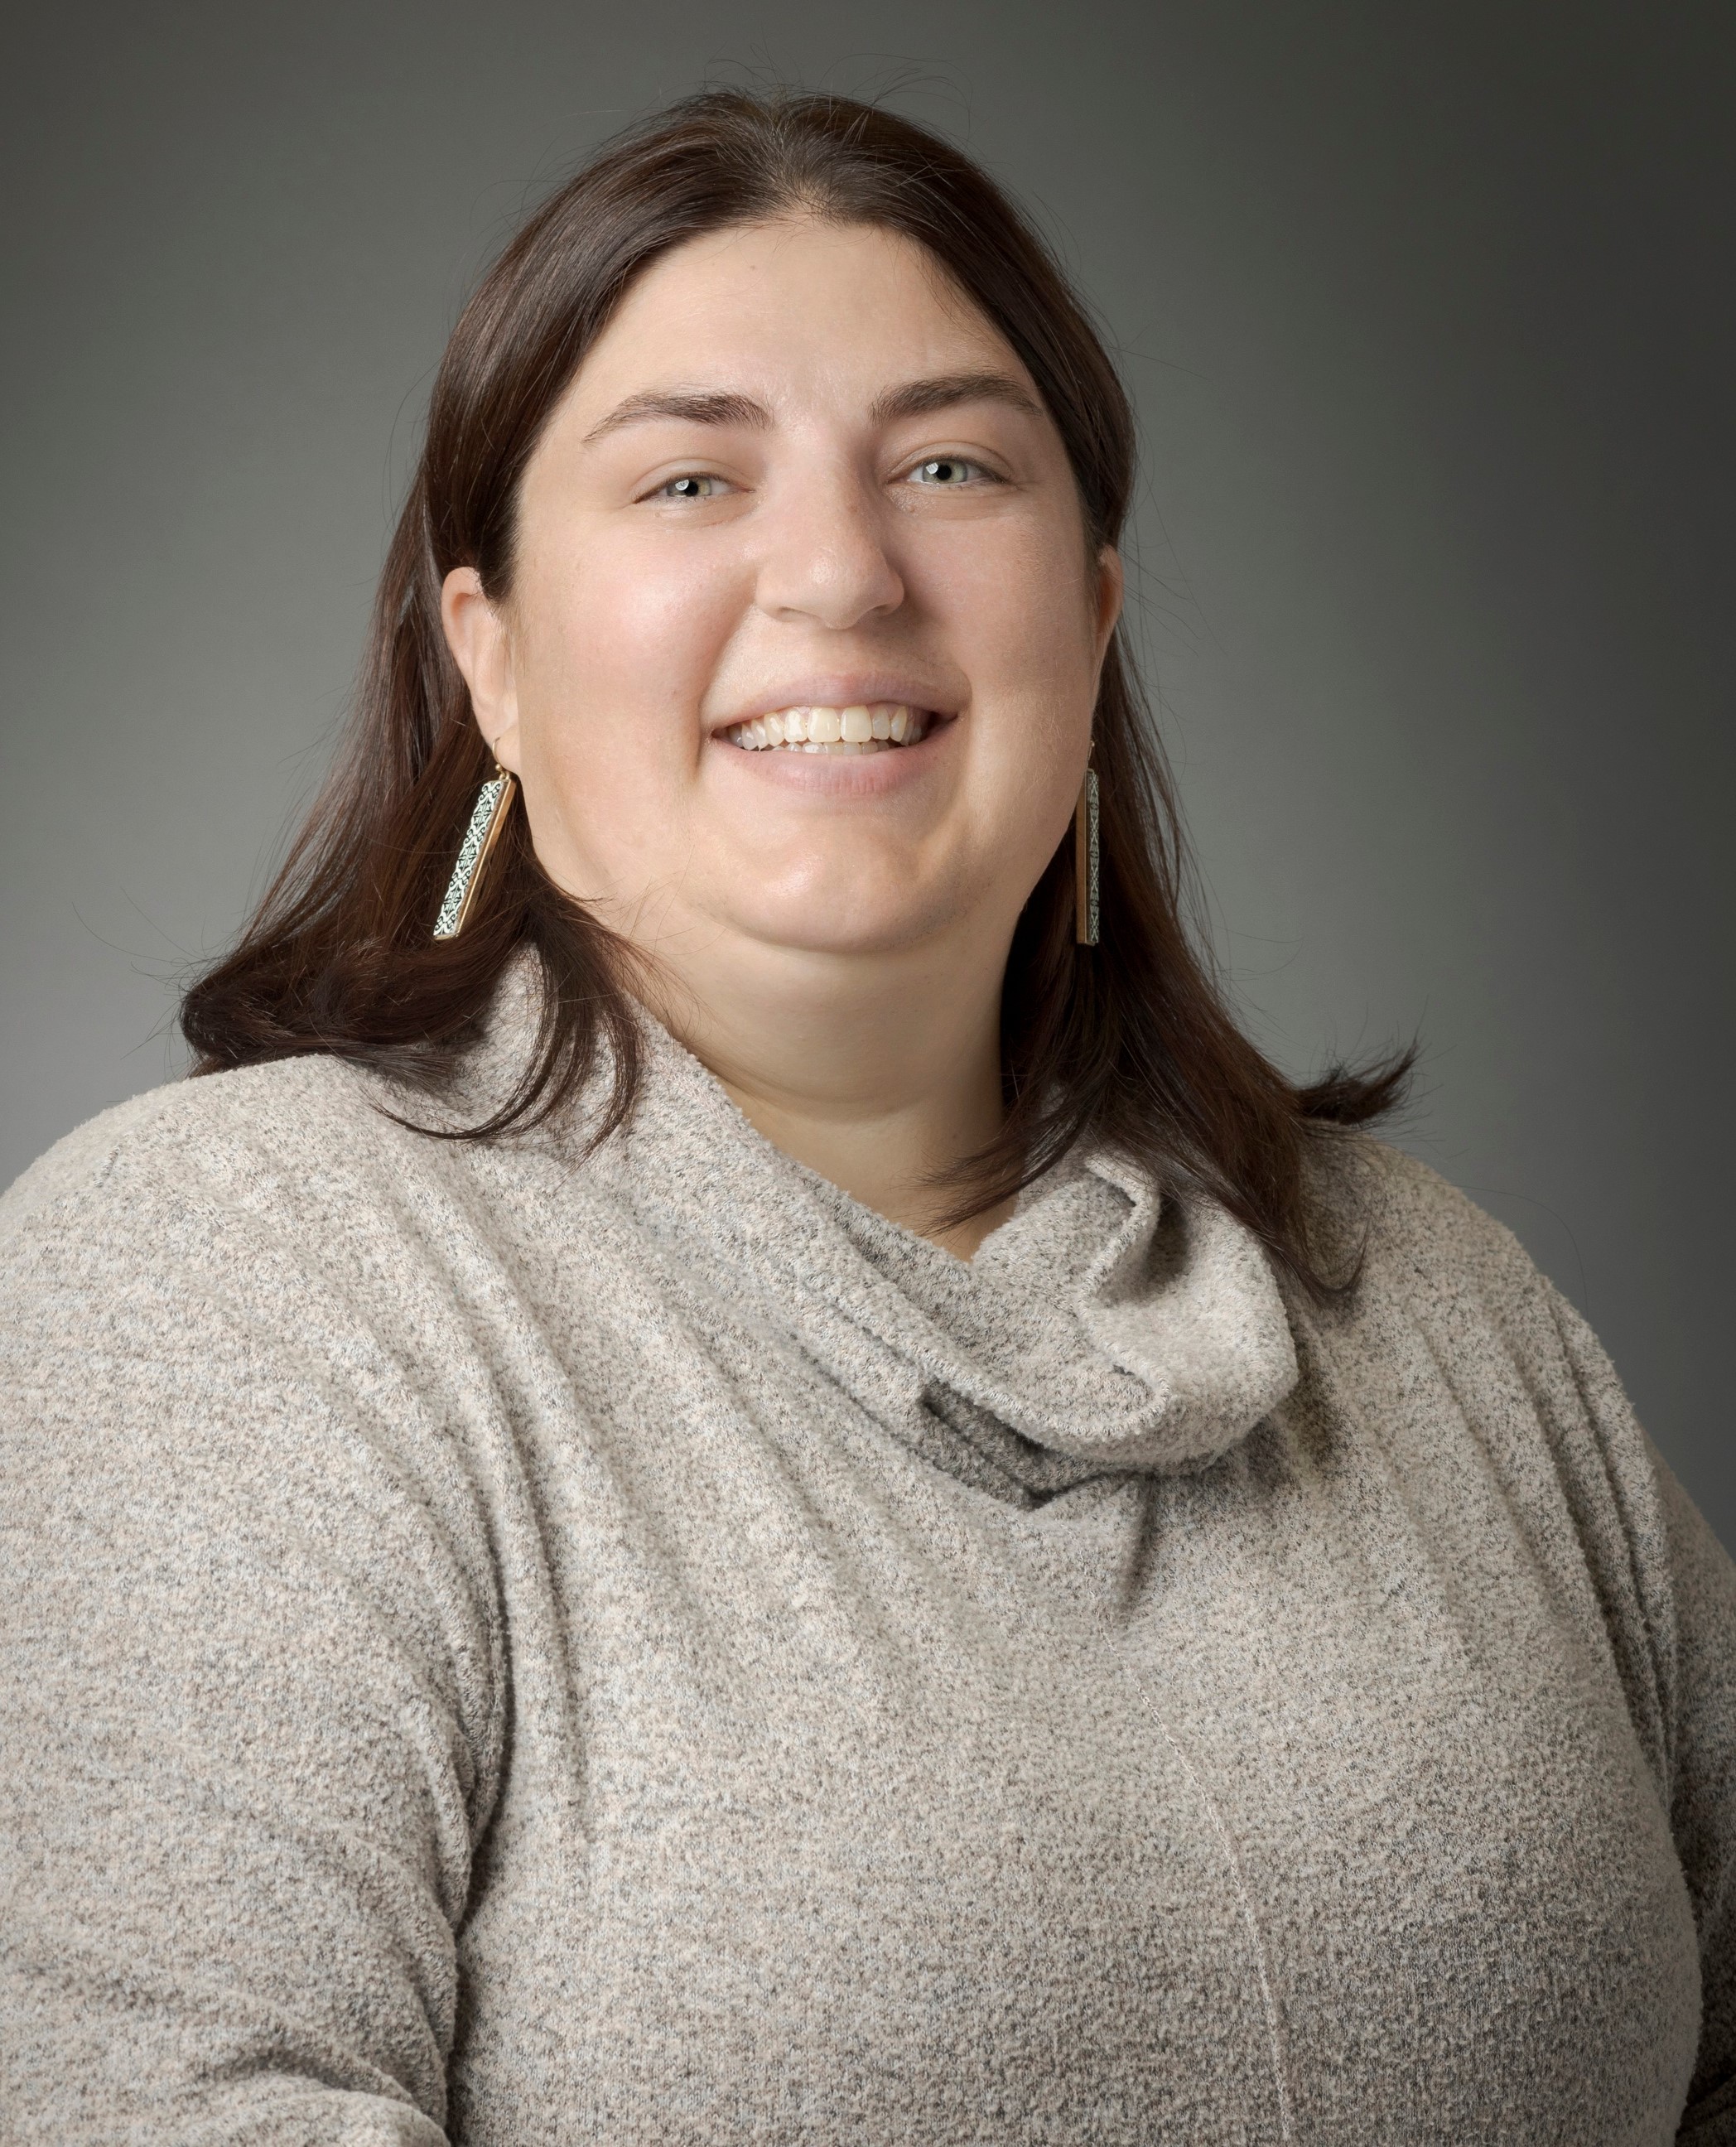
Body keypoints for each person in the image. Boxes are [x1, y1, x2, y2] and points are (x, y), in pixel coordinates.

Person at [1, 86, 1730, 2147]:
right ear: (498, 663)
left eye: (945, 463)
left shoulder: (1432, 1299)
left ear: (1086, 626)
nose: (837, 570)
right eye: (687, 483)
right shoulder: (237, 1282)